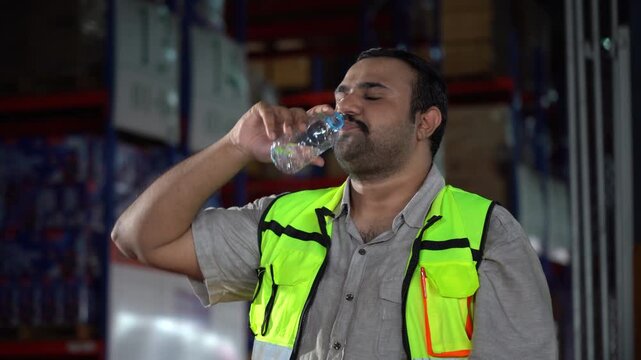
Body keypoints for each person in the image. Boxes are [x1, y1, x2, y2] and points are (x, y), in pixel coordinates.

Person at [111, 48, 557, 359]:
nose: (347, 105)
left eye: (373, 94)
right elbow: (138, 238)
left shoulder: (487, 235)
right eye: (343, 92)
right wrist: (235, 145)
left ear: (425, 122)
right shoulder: (282, 222)